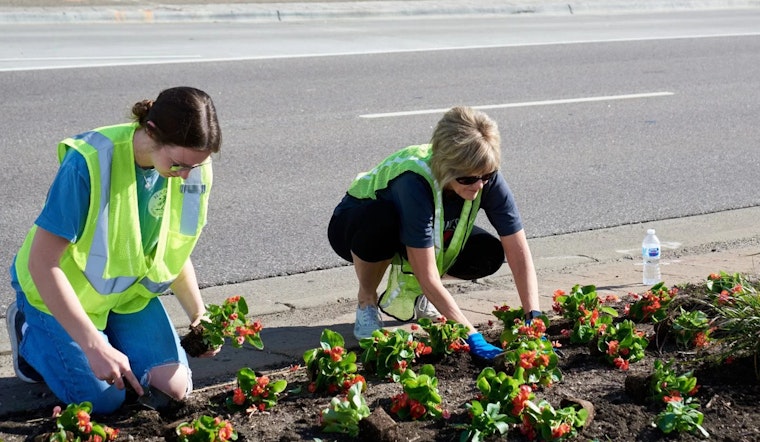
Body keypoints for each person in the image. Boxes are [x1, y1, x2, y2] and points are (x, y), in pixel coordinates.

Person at [5, 86, 222, 414]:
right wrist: (92, 345)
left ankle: (107, 340)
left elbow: (173, 248)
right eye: (178, 165)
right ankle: (29, 332)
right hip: (61, 295)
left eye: (195, 165)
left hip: (127, 297)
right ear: (151, 133)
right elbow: (42, 262)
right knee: (103, 400)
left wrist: (198, 314)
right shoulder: (89, 162)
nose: (186, 176)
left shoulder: (189, 166)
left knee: (176, 388)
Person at [328, 106, 541, 360]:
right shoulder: (413, 182)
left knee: (487, 252)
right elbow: (426, 274)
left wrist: (534, 316)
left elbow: (517, 249)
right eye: (467, 179)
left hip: (417, 226)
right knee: (380, 222)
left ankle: (422, 300)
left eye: (486, 176)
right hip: (358, 227)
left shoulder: (484, 173)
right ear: (446, 167)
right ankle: (366, 300)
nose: (479, 185)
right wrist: (471, 335)